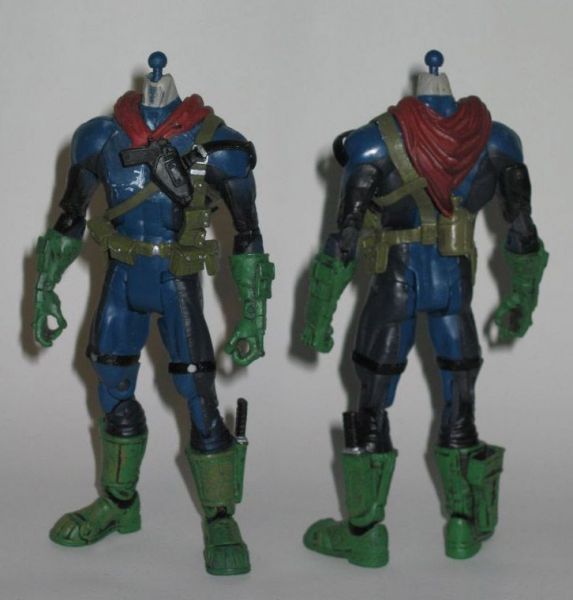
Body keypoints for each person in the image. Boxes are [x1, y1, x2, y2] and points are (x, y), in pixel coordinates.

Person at [301, 50, 547, 567]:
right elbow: (523, 231)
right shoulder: (497, 142)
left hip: (396, 285)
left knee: (372, 402)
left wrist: (319, 316)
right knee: (460, 400)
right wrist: (522, 297)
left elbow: (343, 241)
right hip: (455, 290)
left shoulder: (373, 143)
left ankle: (365, 532)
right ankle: (463, 526)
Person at [33, 51, 274, 576]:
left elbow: (249, 234)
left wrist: (253, 314)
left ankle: (219, 515)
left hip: (176, 282)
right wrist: (46, 286)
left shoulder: (219, 145)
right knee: (111, 383)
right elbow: (70, 217)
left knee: (198, 393)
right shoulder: (99, 138)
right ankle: (119, 501)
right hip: (121, 279)